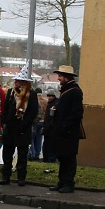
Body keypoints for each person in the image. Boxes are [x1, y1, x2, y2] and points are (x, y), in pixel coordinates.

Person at [47, 65, 84, 193]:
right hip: (62, 131)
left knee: (69, 158)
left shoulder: (75, 91)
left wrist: (65, 126)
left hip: (69, 132)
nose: (58, 78)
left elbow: (77, 113)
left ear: (66, 77)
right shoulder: (65, 90)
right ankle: (62, 182)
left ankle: (68, 183)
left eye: (60, 76)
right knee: (62, 157)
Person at [0, 66, 38, 186]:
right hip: (10, 129)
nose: (16, 82)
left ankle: (21, 178)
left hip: (23, 129)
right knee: (7, 155)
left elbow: (33, 112)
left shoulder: (31, 94)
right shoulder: (11, 92)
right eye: (16, 80)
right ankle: (6, 176)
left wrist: (24, 124)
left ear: (24, 82)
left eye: (19, 81)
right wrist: (5, 121)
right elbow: (5, 108)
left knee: (22, 156)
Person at [30, 88, 47, 159]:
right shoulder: (45, 101)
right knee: (39, 138)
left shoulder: (34, 100)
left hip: (35, 122)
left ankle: (32, 154)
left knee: (32, 138)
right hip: (43, 121)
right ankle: (37, 153)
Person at [41, 91, 58, 163]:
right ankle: (46, 158)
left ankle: (51, 158)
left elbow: (52, 117)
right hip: (47, 127)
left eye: (51, 96)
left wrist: (50, 125)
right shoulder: (49, 103)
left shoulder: (56, 104)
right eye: (49, 96)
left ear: (54, 96)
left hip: (52, 128)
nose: (49, 97)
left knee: (51, 144)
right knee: (46, 144)